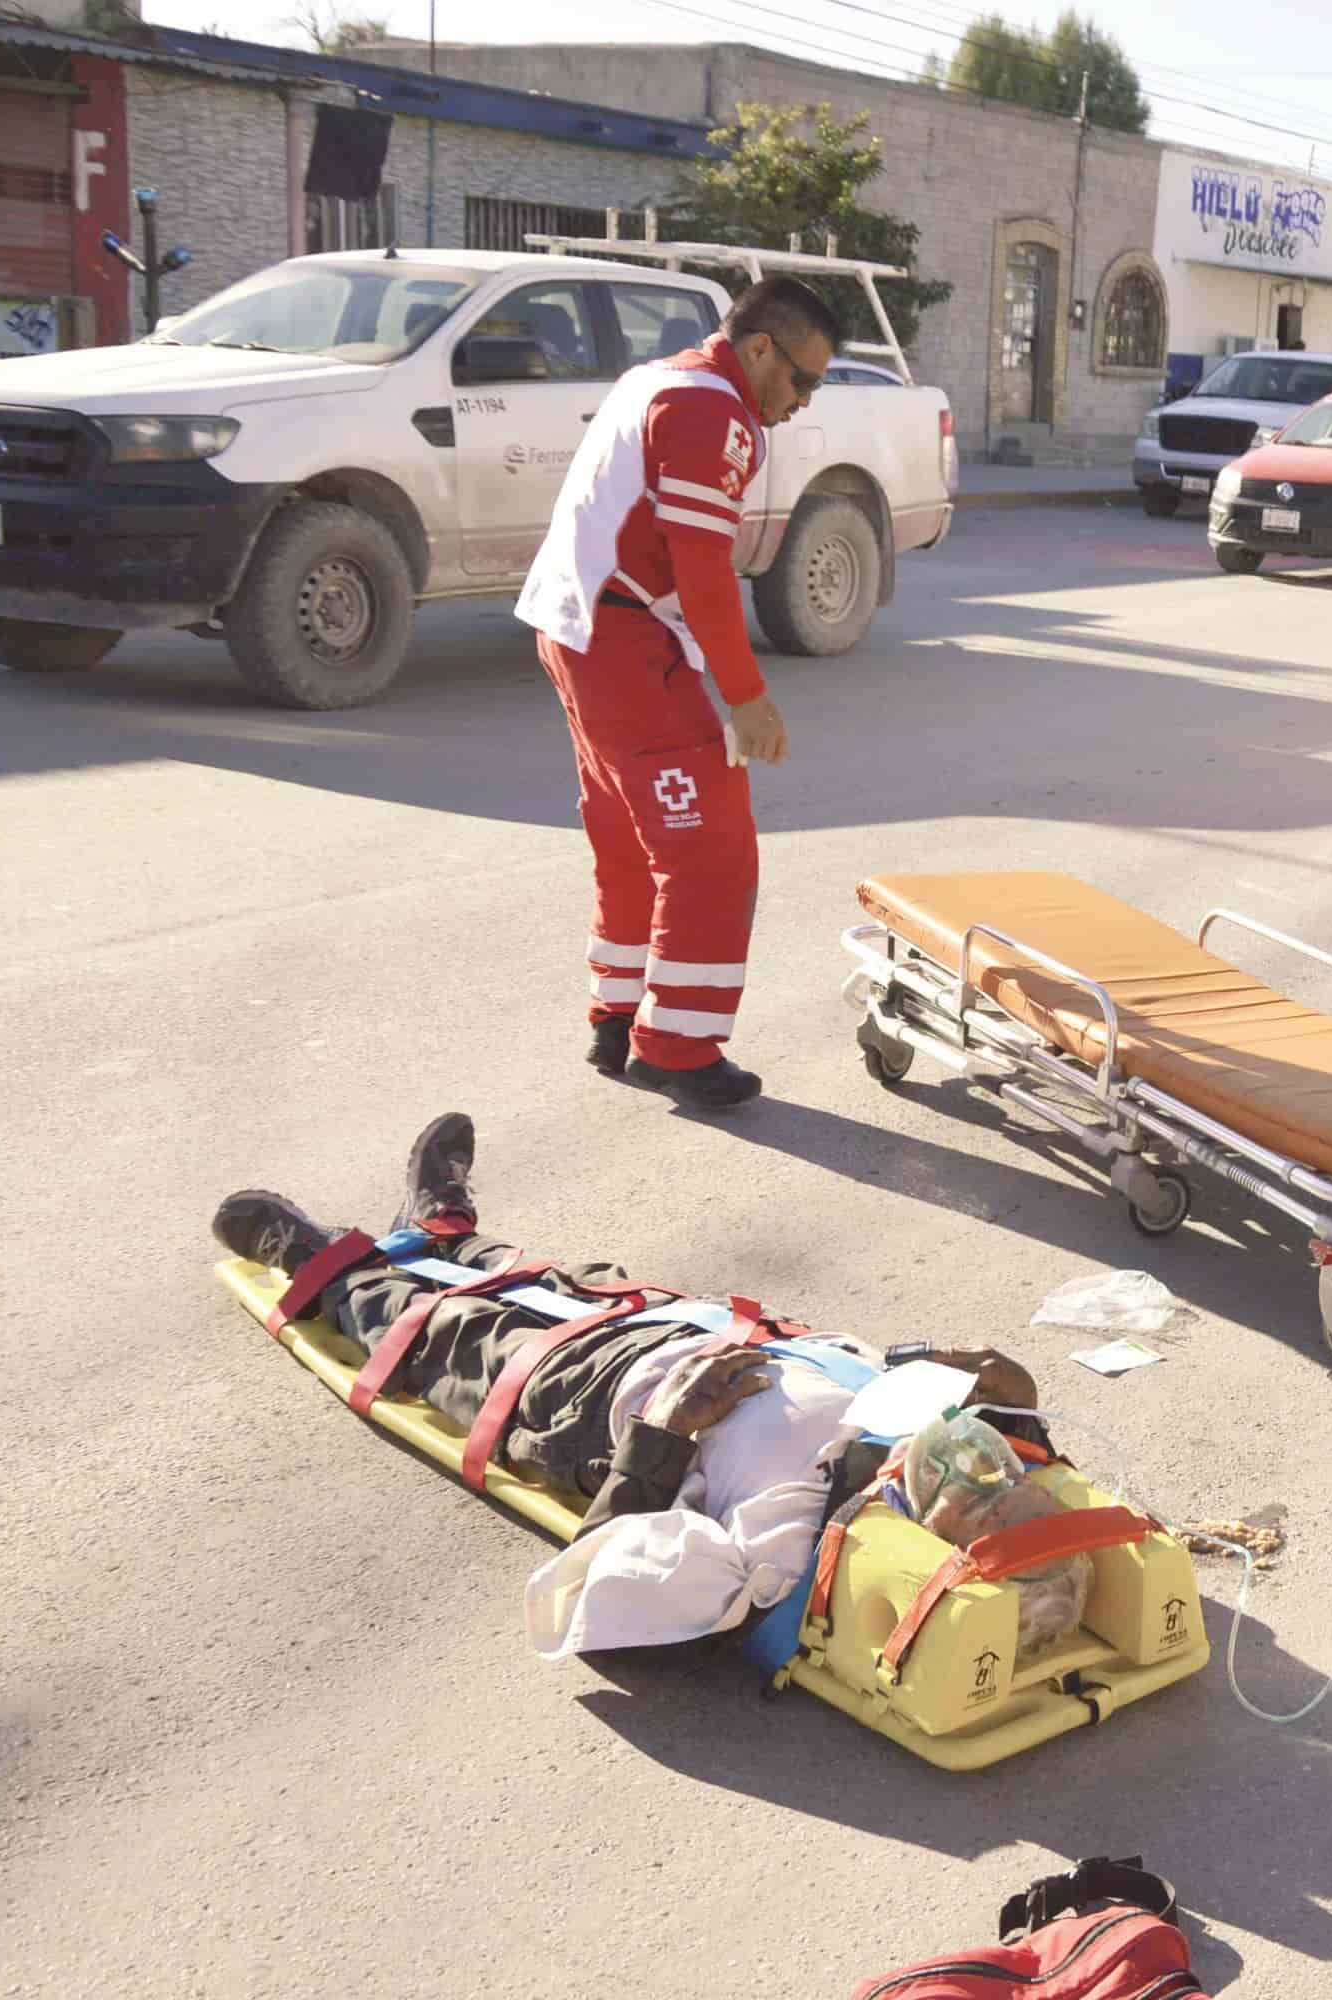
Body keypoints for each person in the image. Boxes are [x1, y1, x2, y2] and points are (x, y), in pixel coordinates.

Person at [212, 1114, 1050, 1655]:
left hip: (583, 1400)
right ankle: (443, 1229)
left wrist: (671, 1429)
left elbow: (596, 1583)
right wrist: (967, 1373)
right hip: (699, 1330)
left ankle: (313, 1264)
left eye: (975, 1499)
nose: (979, 1468)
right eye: (995, 1480)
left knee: (445, 1330)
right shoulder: (939, 1459)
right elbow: (1017, 1433)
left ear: (939, 1552)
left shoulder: (786, 1553)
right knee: (565, 1280)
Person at [515, 278, 844, 1113]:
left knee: (631, 842)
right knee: (711, 850)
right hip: (625, 641)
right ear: (760, 348)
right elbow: (700, 567)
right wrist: (747, 696)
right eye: (803, 379)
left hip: (578, 626)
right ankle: (679, 1047)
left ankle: (617, 1016)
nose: (805, 401)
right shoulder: (712, 412)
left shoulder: (658, 379)